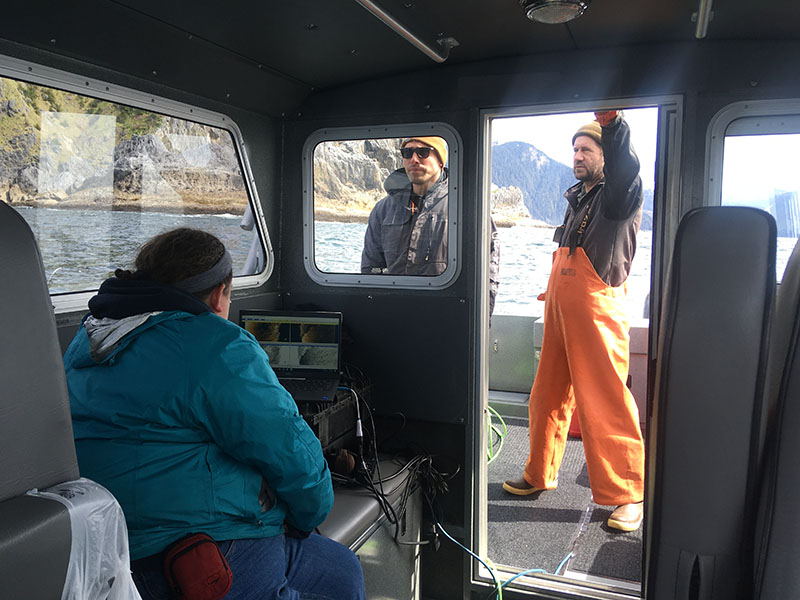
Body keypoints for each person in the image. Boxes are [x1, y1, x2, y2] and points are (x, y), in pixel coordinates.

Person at [63, 228, 365, 599]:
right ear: (219, 294)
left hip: (101, 554)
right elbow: (290, 452)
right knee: (344, 571)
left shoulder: (89, 337)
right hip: (192, 557)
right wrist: (307, 516)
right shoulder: (216, 345)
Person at [502, 111, 646, 532]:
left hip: (598, 312)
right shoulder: (578, 197)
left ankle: (627, 495)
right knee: (546, 395)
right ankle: (539, 473)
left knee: (605, 403)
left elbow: (627, 166)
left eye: (588, 149)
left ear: (606, 157)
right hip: (562, 312)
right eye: (576, 149)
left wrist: (613, 124)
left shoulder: (618, 193)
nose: (578, 155)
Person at [361, 136, 501, 316]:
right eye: (407, 152)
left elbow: (488, 275)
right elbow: (370, 269)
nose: (414, 159)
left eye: (423, 152)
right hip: (392, 317)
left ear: (441, 160)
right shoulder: (383, 210)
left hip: (446, 319)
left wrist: (480, 321)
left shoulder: (468, 207)